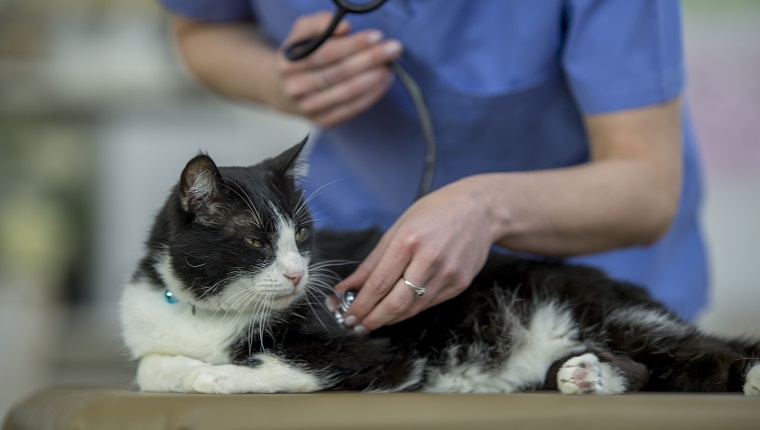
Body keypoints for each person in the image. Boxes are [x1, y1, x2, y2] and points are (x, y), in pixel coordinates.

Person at [157, 0, 708, 334]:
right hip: (352, 272)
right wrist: (281, 80)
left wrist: (485, 208)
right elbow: (201, 29)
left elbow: (645, 187)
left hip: (580, 291)